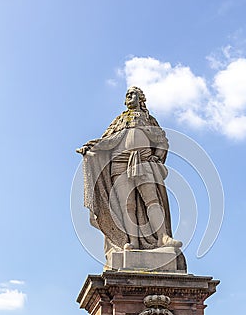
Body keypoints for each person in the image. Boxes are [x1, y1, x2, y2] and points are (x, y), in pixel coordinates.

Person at [76, 87, 184, 268]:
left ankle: (162, 237)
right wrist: (91, 148)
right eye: (127, 95)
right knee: (128, 204)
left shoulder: (149, 120)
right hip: (119, 163)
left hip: (143, 159)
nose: (129, 97)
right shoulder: (119, 120)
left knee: (152, 200)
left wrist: (157, 156)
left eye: (133, 94)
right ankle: (132, 241)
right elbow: (108, 140)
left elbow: (162, 141)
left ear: (141, 99)